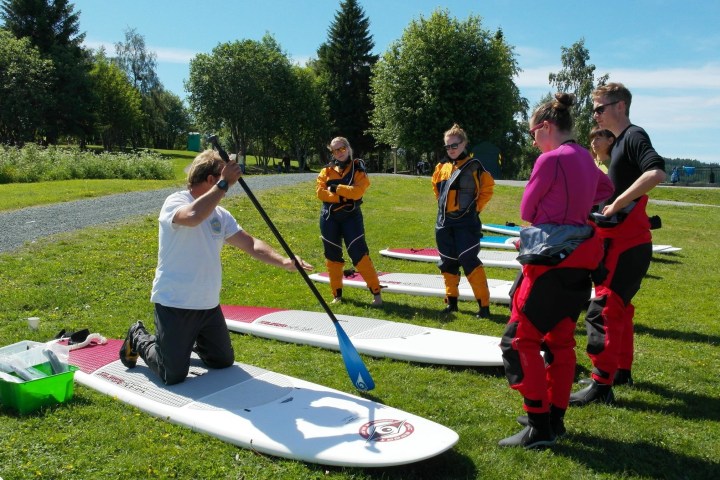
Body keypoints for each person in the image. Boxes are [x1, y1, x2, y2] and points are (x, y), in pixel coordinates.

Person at [119, 150, 313, 385]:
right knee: (173, 373)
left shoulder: (220, 215)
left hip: (208, 305)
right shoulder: (177, 201)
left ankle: (184, 342)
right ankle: (138, 335)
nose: (229, 186)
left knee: (222, 360)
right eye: (224, 179)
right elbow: (192, 216)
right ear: (211, 179)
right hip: (175, 303)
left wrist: (283, 261)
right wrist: (224, 183)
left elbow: (250, 243)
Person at [499, 93, 614, 448]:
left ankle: (538, 425)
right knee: (561, 341)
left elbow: (527, 209)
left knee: (519, 340)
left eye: (534, 134)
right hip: (581, 259)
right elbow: (607, 189)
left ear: (547, 127)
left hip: (549, 262)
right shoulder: (585, 156)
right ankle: (554, 417)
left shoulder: (551, 160)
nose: (533, 143)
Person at [569, 82, 666, 406]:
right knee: (620, 310)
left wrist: (617, 202)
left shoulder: (634, 136)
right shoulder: (620, 143)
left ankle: (601, 385)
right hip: (621, 241)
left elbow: (656, 173)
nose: (594, 114)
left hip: (629, 243)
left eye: (599, 108)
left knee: (605, 309)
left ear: (620, 106)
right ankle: (621, 371)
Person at [431, 124, 495, 318]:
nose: (451, 149)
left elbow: (488, 188)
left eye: (454, 145)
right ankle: (452, 303)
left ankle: (483, 306)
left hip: (466, 223)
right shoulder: (441, 167)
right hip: (444, 223)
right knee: (448, 262)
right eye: (447, 147)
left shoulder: (475, 167)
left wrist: (475, 208)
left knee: (469, 261)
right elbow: (436, 189)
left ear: (464, 143)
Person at [316, 136, 383, 306]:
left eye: (342, 148)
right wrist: (342, 197)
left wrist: (336, 188)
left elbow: (357, 192)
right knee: (332, 257)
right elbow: (320, 193)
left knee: (359, 254)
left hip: (351, 217)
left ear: (348, 148)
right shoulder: (326, 171)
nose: (339, 153)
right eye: (335, 150)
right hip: (329, 218)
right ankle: (337, 295)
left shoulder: (357, 168)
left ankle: (376, 294)